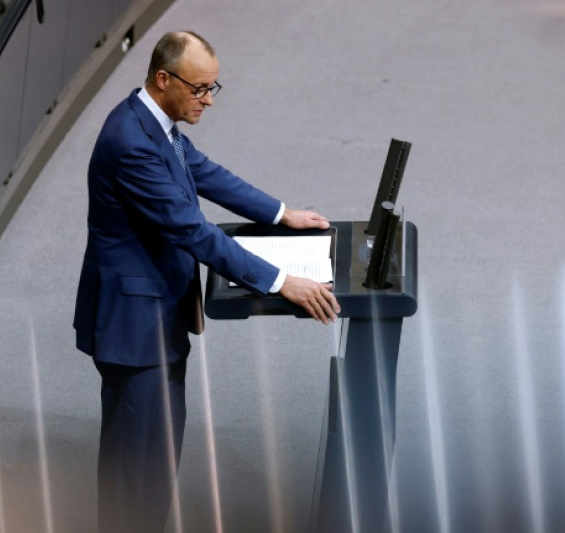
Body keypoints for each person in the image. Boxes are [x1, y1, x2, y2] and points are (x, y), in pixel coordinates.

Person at [72, 30, 341, 532]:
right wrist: (280, 281)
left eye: (214, 88)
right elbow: (190, 229)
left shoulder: (157, 123)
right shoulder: (131, 142)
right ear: (162, 78)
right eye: (199, 89)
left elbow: (204, 172)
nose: (208, 100)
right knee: (139, 467)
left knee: (152, 456)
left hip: (156, 315)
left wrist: (281, 213)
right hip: (134, 327)